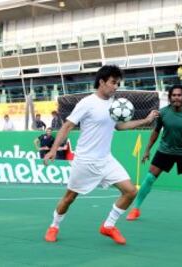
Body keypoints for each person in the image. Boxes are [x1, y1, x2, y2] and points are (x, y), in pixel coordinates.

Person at [43, 65, 159, 245]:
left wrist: (146, 120)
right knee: (69, 198)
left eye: (118, 83)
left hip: (106, 160)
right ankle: (54, 226)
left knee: (130, 191)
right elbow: (67, 126)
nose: (115, 86)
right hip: (85, 161)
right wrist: (52, 150)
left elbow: (119, 126)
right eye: (113, 82)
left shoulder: (115, 104)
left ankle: (108, 226)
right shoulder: (87, 103)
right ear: (102, 82)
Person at [126, 85, 182, 224]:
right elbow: (155, 132)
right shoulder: (163, 113)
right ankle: (136, 209)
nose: (176, 97)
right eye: (173, 95)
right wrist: (147, 150)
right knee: (148, 179)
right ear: (170, 97)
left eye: (179, 95)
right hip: (164, 150)